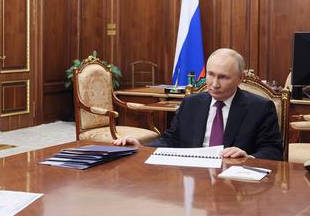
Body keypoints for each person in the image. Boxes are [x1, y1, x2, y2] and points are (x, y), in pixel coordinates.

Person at [113, 48, 283, 160]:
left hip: (236, 181)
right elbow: (171, 141)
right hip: (193, 177)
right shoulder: (191, 103)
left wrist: (248, 157)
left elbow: (273, 152)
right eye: (211, 74)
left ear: (240, 79)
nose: (214, 84)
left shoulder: (260, 108)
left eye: (223, 77)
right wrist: (141, 147)